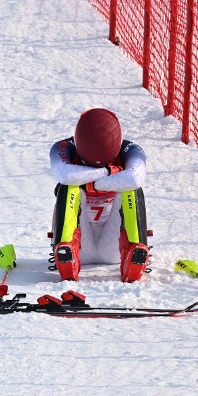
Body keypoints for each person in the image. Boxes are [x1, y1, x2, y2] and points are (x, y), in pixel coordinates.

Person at [49, 108, 149, 282]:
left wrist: (89, 180)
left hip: (113, 243)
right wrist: (110, 172)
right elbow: (65, 174)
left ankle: (134, 252)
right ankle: (66, 252)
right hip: (81, 242)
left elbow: (135, 177)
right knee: (69, 187)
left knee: (132, 190)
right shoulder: (63, 147)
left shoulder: (131, 149)